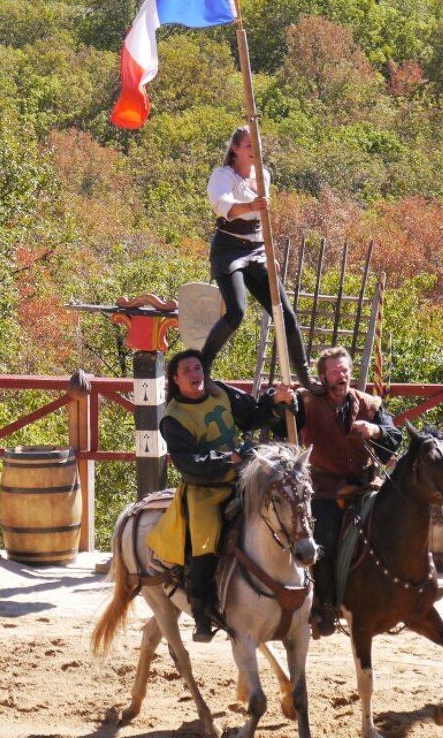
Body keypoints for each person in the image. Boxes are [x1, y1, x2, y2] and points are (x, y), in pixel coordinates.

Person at [146, 348, 296, 642]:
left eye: (197, 368)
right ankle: (202, 613)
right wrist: (228, 460)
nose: (194, 374)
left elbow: (252, 417)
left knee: (288, 507)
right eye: (186, 371)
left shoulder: (220, 394)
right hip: (205, 490)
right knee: (205, 544)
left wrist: (276, 403)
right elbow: (188, 463)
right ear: (176, 380)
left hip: (243, 479)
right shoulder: (173, 418)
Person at [202, 127, 323, 394]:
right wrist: (252, 206)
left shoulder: (264, 176)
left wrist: (270, 253)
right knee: (236, 312)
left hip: (257, 249)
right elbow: (225, 207)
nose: (253, 150)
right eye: (248, 145)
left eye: (256, 144)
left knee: (284, 313)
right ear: (235, 149)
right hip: (229, 249)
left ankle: (304, 376)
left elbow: (264, 221)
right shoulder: (223, 176)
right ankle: (203, 366)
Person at [295, 346, 401, 637]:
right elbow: (280, 421)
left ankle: (398, 593)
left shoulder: (369, 403)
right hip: (325, 488)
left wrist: (375, 431)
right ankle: (325, 606)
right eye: (335, 372)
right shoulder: (307, 402)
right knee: (325, 539)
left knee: (397, 522)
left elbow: (394, 436)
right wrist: (279, 401)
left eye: (345, 370)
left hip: (365, 485)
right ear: (323, 376)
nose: (342, 376)